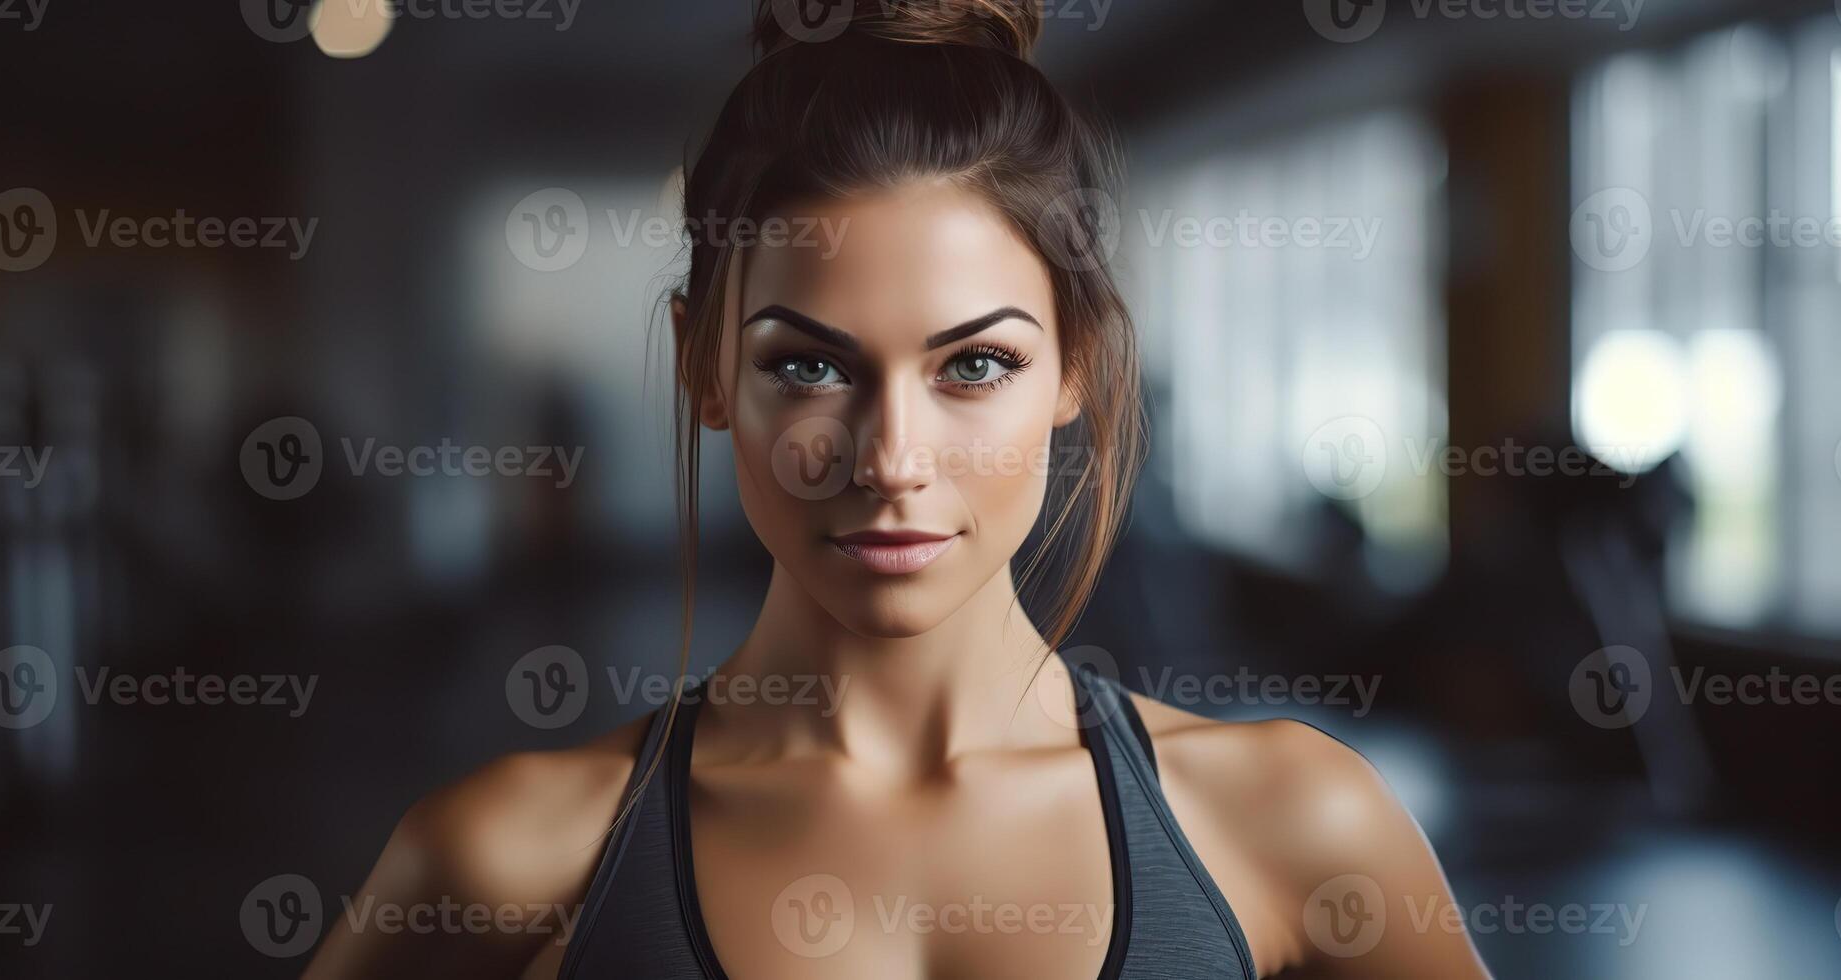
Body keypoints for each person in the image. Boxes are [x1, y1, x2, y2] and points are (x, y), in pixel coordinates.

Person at [307, 2, 1490, 976]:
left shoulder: (1295, 824)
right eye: (807, 365)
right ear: (703, 365)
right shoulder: (508, 853)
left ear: (1073, 367)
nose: (889, 457)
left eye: (974, 363)